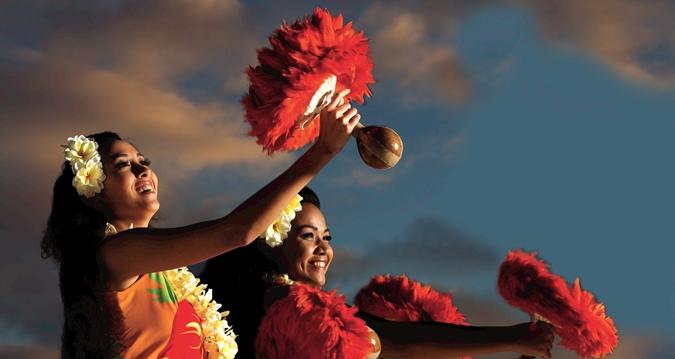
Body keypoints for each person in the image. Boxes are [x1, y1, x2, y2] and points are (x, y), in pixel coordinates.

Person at [40, 90, 360, 358]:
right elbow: (235, 230)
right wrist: (322, 152)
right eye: (123, 165)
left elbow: (242, 219)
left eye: (144, 162)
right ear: (92, 191)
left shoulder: (161, 267)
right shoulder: (116, 253)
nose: (143, 171)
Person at [201, 187, 555, 359]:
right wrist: (512, 337)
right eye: (308, 236)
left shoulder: (268, 300)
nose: (324, 249)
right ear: (270, 242)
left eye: (327, 237)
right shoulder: (282, 298)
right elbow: (394, 340)